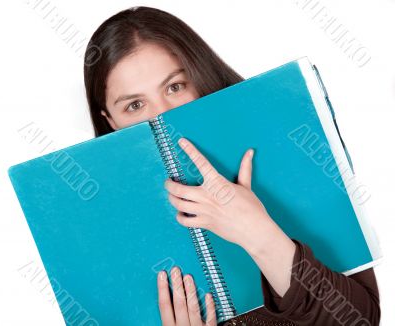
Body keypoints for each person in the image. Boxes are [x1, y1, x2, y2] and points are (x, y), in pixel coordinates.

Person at [83, 6, 380, 325]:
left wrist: (257, 233)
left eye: (175, 87)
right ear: (110, 121)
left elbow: (359, 321)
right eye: (135, 105)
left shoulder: (291, 144)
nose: (161, 116)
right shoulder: (93, 229)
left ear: (200, 77)